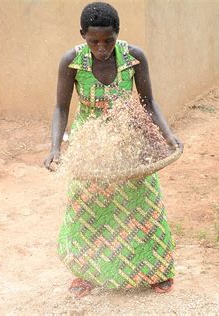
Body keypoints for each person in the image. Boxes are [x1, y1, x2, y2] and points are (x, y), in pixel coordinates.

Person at [43, 2, 181, 297]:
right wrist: (55, 147)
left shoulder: (134, 57)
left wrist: (168, 136)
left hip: (127, 135)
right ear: (82, 35)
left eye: (108, 40)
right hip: (90, 142)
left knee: (143, 201)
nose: (102, 47)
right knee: (87, 206)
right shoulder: (71, 61)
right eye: (94, 41)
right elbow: (60, 108)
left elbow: (148, 103)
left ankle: (157, 269)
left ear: (118, 34)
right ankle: (87, 273)